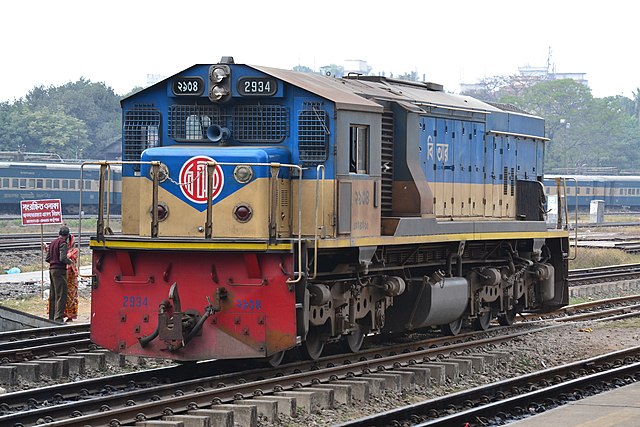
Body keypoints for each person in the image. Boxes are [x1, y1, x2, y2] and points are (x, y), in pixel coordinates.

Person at [46, 225, 72, 323]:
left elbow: (47, 258)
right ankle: (58, 318)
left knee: (53, 294)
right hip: (60, 271)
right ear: (67, 235)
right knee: (61, 294)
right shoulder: (63, 243)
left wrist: (53, 262)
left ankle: (51, 318)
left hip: (51, 270)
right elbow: (63, 258)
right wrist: (70, 262)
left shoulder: (52, 243)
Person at [64, 233, 79, 322]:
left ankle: (70, 316)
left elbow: (70, 257)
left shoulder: (75, 251)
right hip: (64, 275)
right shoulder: (63, 249)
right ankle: (62, 314)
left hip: (71, 277)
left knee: (71, 296)